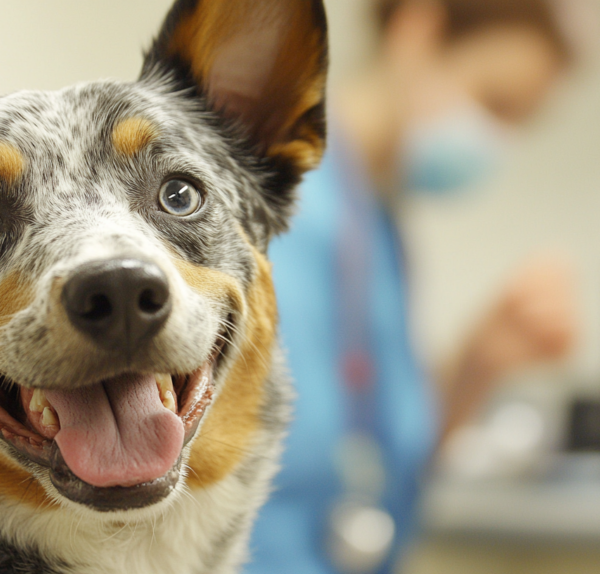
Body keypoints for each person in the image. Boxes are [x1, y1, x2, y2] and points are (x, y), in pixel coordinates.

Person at [247, 1, 580, 573]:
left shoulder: (378, 224)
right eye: (495, 102)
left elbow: (381, 457)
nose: (496, 142)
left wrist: (481, 362)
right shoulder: (268, 192)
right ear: (418, 29)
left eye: (517, 123)